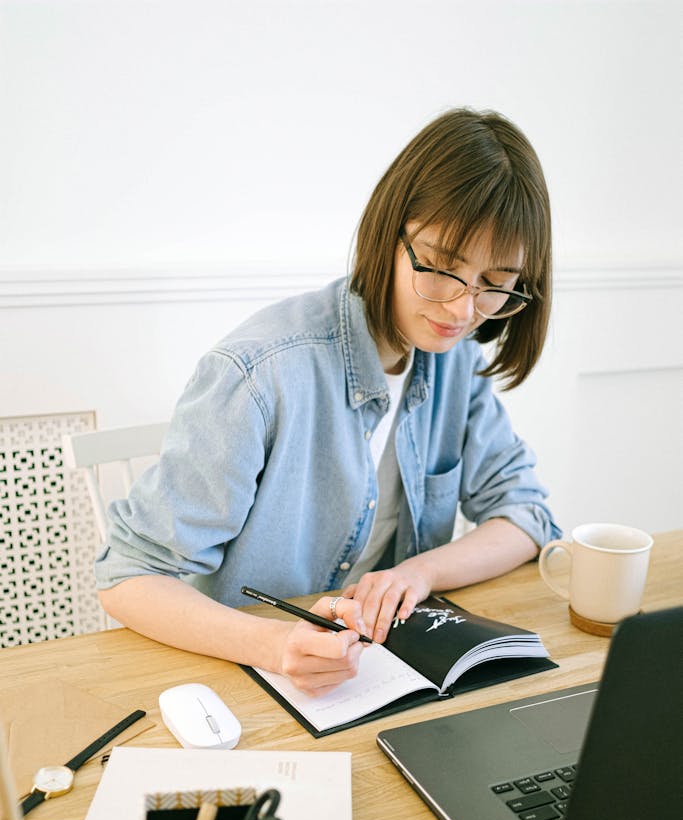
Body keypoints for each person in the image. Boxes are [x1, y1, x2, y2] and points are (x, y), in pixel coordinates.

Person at [96, 107, 560, 693]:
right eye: (442, 268)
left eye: (495, 283)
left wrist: (415, 574)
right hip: (250, 682)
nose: (463, 310)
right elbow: (128, 577)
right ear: (388, 233)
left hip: (381, 674)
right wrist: (272, 643)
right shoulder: (261, 374)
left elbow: (526, 515)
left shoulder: (456, 361)